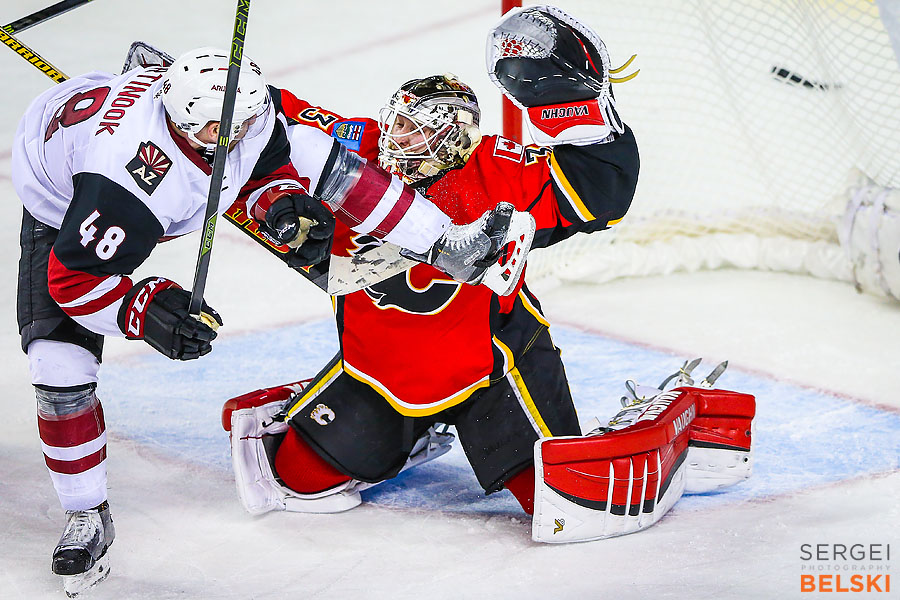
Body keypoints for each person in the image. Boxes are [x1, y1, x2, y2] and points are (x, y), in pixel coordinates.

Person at [13, 45, 532, 595]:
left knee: (314, 151)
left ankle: (448, 246)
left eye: (245, 123)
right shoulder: (123, 186)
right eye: (220, 131)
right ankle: (85, 513)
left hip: (126, 121)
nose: (237, 137)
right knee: (58, 366)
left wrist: (278, 200)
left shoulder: (244, 118)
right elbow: (72, 286)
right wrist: (143, 310)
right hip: (63, 197)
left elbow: (308, 172)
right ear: (185, 123)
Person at [224, 6, 738, 543]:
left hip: (493, 368)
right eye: (395, 122)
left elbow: (600, 192)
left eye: (414, 130)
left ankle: (672, 418)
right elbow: (271, 114)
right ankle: (413, 432)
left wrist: (579, 106)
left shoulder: (499, 168)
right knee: (295, 481)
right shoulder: (359, 148)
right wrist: (202, 99)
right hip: (380, 371)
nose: (394, 140)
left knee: (573, 504)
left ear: (452, 137)